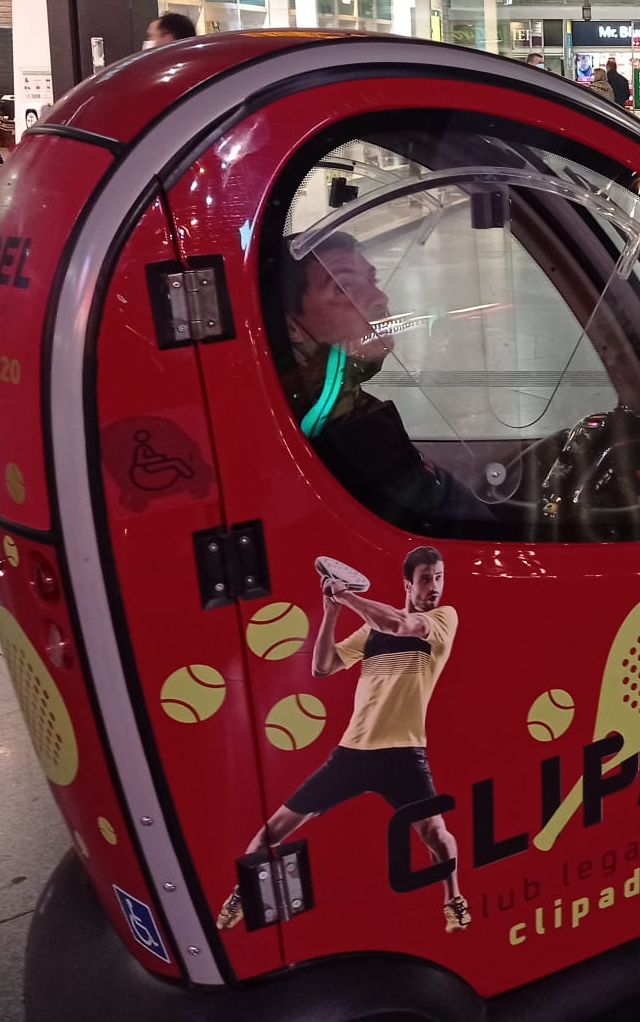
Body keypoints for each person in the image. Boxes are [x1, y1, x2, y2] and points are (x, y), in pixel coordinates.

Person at [216, 546, 470, 936]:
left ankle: (453, 899)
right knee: (274, 830)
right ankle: (242, 894)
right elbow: (323, 667)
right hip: (352, 753)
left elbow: (401, 625)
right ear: (408, 584)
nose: (434, 586)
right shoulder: (371, 630)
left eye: (439, 577)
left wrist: (346, 595)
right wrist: (332, 610)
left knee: (435, 835)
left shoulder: (442, 620)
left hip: (404, 754)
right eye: (425, 578)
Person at [280, 232, 491, 527]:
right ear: (291, 326)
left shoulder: (332, 397)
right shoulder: (342, 427)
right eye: (344, 287)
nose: (379, 298)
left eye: (372, 281)